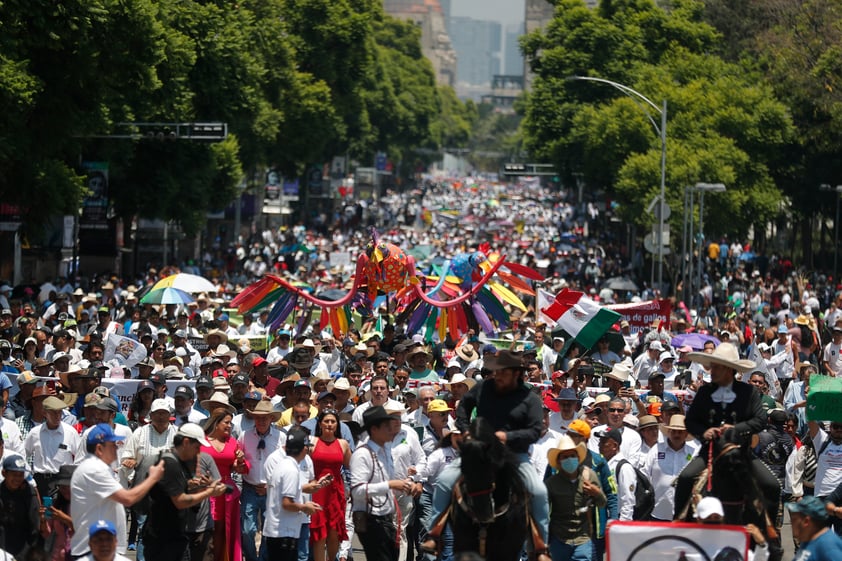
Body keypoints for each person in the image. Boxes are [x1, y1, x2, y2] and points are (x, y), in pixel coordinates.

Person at [424, 350, 548, 558]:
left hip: (514, 455)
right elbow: (464, 406)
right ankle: (434, 533)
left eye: (503, 372)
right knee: (445, 480)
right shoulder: (483, 388)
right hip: (478, 452)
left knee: (539, 491)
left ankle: (541, 546)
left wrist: (507, 437)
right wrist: (465, 430)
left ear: (517, 373)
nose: (497, 375)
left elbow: (535, 430)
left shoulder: (530, 398)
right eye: (496, 371)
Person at [675, 343, 780, 521]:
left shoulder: (748, 392)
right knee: (685, 478)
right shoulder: (705, 392)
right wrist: (705, 432)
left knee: (772, 485)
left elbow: (761, 420)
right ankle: (678, 521)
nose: (712, 370)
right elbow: (690, 421)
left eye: (717, 367)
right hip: (710, 452)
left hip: (742, 452)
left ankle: (771, 535)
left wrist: (737, 429)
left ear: (729, 369)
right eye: (712, 366)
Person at [70, 424, 165, 558]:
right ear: (99, 448)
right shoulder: (94, 469)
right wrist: (153, 477)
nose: (117, 447)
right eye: (113, 444)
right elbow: (128, 498)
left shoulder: (99, 467)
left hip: (102, 549)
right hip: (93, 550)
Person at [143, 423, 228, 561]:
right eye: (196, 447)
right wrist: (209, 492)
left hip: (173, 536)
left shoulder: (178, 463)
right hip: (163, 539)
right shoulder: (170, 464)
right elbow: (180, 501)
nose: (198, 452)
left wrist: (194, 486)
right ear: (186, 442)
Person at [350, 406, 414, 561]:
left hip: (386, 517)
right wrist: (390, 485)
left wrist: (407, 481)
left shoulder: (385, 451)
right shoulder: (362, 454)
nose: (391, 429)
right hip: (371, 519)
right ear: (374, 429)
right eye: (386, 426)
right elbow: (357, 491)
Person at [262, 426, 324, 561]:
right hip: (284, 532)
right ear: (303, 449)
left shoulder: (283, 465)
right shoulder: (291, 470)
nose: (308, 450)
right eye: (306, 447)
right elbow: (286, 503)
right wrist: (305, 507)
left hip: (279, 531)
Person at [545, 434, 605, 561]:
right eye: (565, 457)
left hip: (582, 539)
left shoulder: (589, 475)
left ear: (578, 458)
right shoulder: (551, 483)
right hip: (559, 540)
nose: (569, 459)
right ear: (559, 461)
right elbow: (544, 513)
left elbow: (602, 503)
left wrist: (596, 493)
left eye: (572, 456)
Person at [238, 399, 284, 561]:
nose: (261, 421)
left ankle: (263, 558)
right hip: (250, 488)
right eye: (258, 417)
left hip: (271, 490)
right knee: (247, 530)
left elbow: (285, 465)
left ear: (272, 418)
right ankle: (251, 558)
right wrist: (240, 461)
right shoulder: (245, 436)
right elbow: (238, 460)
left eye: (265, 417)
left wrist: (271, 486)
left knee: (268, 529)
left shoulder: (280, 437)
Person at [201, 409, 249, 561]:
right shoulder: (202, 441)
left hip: (226, 492)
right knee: (209, 528)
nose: (230, 426)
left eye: (231, 423)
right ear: (216, 423)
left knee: (223, 529)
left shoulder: (233, 442)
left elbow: (242, 468)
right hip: (206, 489)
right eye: (226, 422)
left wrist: (240, 460)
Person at [309, 408, 351, 561]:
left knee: (334, 533)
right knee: (320, 533)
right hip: (317, 491)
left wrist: (353, 489)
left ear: (337, 425)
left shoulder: (343, 444)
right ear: (320, 424)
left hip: (336, 491)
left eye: (333, 421)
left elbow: (351, 468)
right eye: (326, 421)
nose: (329, 424)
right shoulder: (312, 442)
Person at [643, 415, 699, 522]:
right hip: (658, 511)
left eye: (680, 432)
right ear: (668, 432)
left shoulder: (694, 453)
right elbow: (644, 475)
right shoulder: (656, 450)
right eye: (673, 431)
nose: (676, 434)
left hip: (684, 513)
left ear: (686, 433)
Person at [0, 454, 48, 559]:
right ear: (4, 473)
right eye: (14, 474)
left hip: (24, 551)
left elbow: (34, 524)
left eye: (20, 475)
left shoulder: (28, 493)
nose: (17, 478)